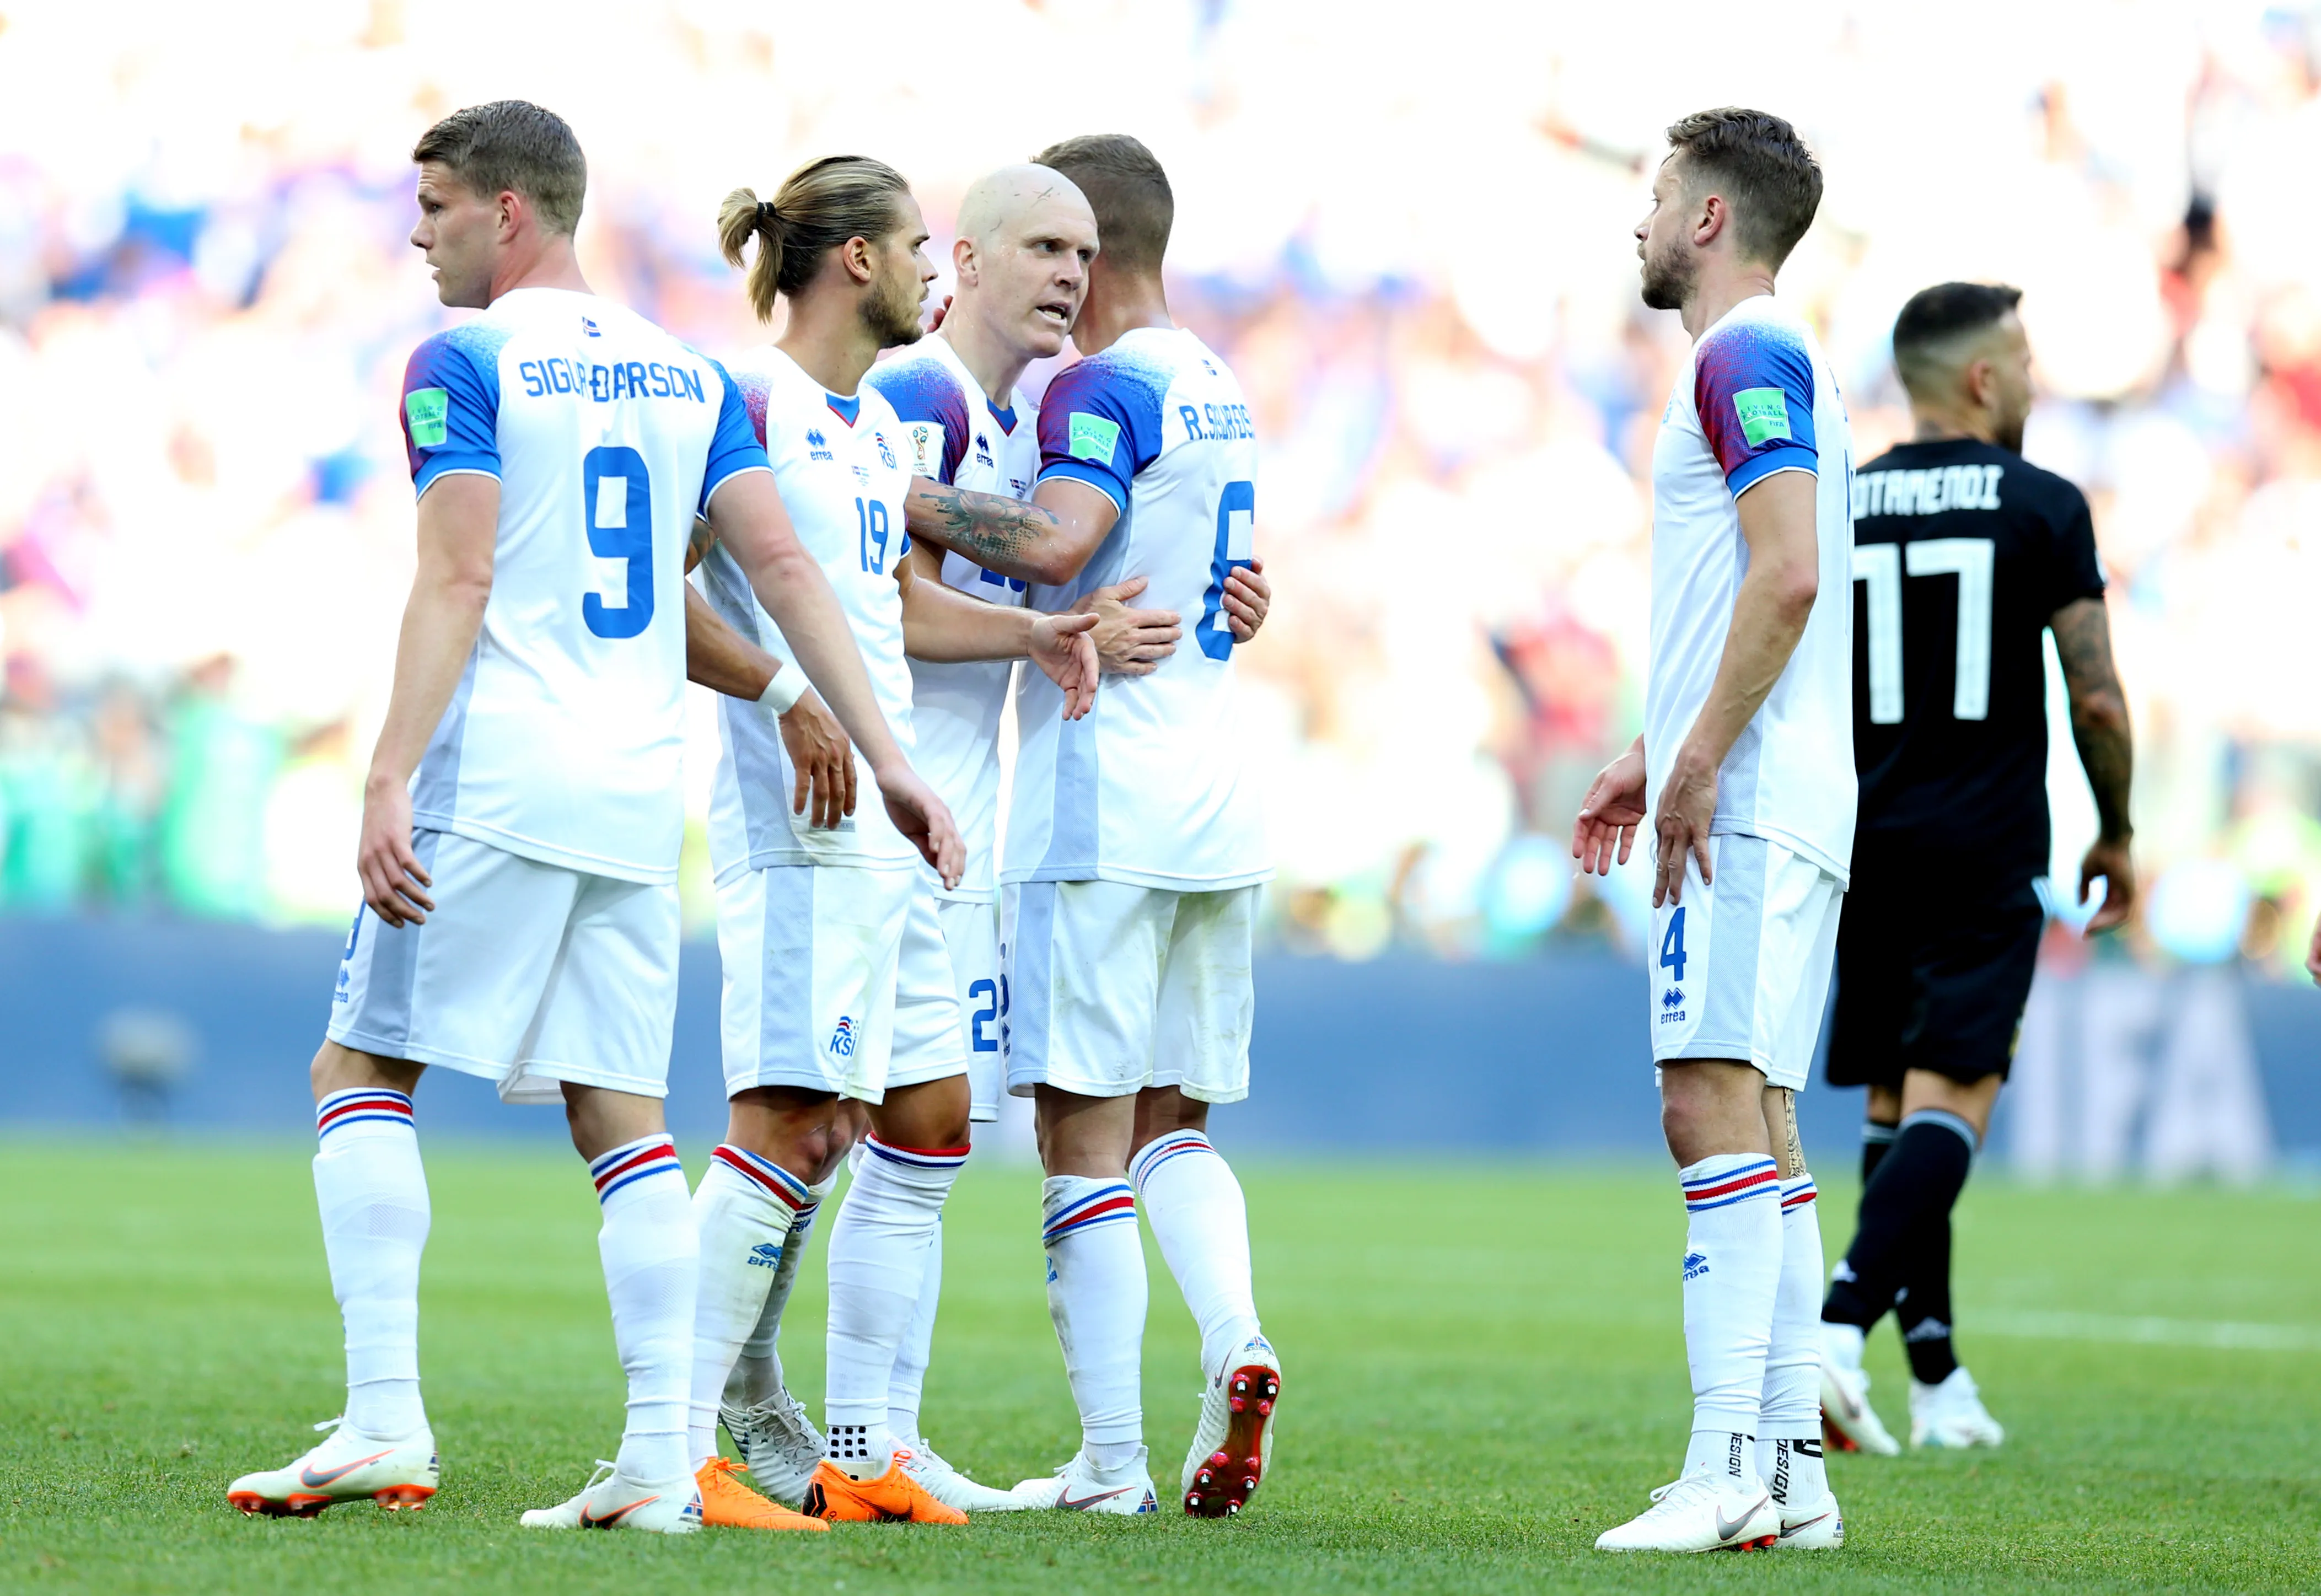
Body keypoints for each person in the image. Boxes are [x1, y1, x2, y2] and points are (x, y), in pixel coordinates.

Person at [225, 101, 957, 1534]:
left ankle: (382, 1412)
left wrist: (386, 771)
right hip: (638, 790)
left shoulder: (464, 359)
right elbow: (791, 570)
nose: (416, 231)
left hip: (498, 767)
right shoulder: (692, 374)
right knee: (621, 1116)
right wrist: (894, 756)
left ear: (509, 212)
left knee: (357, 1064)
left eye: (432, 203)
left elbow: (457, 577)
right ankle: (652, 1458)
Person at [680, 154, 1102, 1529]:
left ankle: (856, 1444)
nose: (933, 269)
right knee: (788, 1122)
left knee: (915, 1120)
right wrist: (784, 698)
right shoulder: (743, 401)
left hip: (888, 815)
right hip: (796, 823)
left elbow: (883, 616)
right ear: (857, 259)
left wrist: (1000, 669)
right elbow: (654, 601)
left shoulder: (862, 429)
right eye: (921, 246)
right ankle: (680, 1443)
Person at [915, 134, 1278, 1520]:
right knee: (1170, 1123)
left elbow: (1061, 545)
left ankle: (1113, 1462)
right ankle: (1236, 1333)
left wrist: (884, 493)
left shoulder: (1101, 386)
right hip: (1219, 797)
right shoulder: (1216, 383)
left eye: (1065, 247)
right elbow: (1229, 577)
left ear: (1093, 248)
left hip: (1101, 801)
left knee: (1078, 1134)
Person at [1572, 108, 1853, 1552]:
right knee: (1766, 1116)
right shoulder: (1776, 361)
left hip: (1750, 791)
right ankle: (1794, 1474)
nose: (1638, 219)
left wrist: (1696, 760)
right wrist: (1650, 744)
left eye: (1656, 192)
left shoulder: (1740, 352)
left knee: (1706, 1106)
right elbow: (1747, 596)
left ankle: (1721, 1461)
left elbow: (1787, 575)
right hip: (1781, 778)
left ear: (1706, 217)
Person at [1818, 281, 2133, 1455]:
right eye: (2025, 360)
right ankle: (1833, 1324)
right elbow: (2092, 693)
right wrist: (2118, 826)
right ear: (1982, 379)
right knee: (1957, 1101)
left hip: (1863, 840)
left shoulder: (1842, 501)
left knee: (1899, 1108)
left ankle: (1936, 1376)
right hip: (1980, 845)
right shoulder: (2041, 505)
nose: (2036, 380)